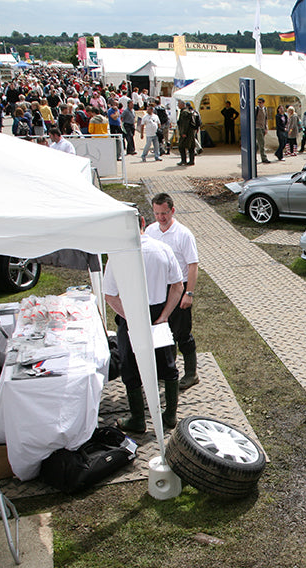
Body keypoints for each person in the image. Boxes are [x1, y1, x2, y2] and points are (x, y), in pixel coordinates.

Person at [103, 213, 184, 433]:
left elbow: (109, 296)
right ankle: (170, 416)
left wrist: (131, 317)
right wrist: (166, 315)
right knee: (168, 366)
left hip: (132, 316)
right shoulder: (162, 249)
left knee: (130, 368)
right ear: (143, 224)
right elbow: (177, 286)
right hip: (159, 314)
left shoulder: (117, 255)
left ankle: (138, 419)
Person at [146, 193, 200, 390]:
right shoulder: (150, 231)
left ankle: (191, 373)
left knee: (182, 332)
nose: (161, 217)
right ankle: (166, 369)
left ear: (172, 211)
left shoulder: (183, 234)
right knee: (162, 328)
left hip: (180, 286)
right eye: (157, 213)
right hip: (160, 288)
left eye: (165, 213)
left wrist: (189, 293)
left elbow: (193, 265)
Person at [176, 100, 201, 166]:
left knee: (181, 146)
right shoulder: (188, 111)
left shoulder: (184, 112)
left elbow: (185, 124)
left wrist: (183, 132)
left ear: (182, 104)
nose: (178, 105)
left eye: (178, 104)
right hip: (191, 131)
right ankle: (191, 161)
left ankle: (184, 160)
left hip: (187, 132)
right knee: (191, 147)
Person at [255, 97, 270, 163]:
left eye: (260, 102)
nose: (259, 103)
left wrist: (266, 128)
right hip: (257, 127)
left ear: (263, 103)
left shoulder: (265, 109)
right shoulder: (256, 109)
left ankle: (253, 156)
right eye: (258, 102)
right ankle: (264, 158)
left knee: (258, 144)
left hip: (262, 127)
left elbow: (266, 119)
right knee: (261, 143)